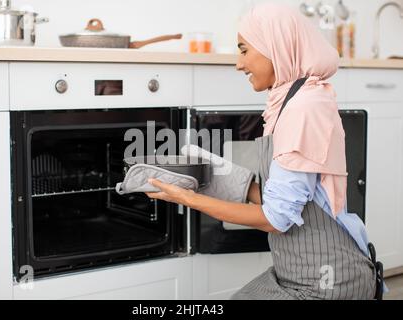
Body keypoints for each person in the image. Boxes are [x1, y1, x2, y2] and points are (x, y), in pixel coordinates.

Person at [145, 3, 380, 300]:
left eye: (244, 50)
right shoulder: (289, 101)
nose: (238, 64)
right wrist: (215, 175)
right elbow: (295, 197)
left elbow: (276, 219)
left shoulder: (305, 108)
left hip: (328, 282)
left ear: (276, 46)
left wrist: (188, 198)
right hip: (294, 272)